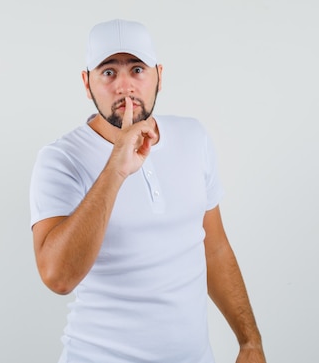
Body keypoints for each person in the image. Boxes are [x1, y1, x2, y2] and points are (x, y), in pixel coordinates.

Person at [29, 19, 266, 363]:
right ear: (87, 83)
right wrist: (117, 167)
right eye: (108, 72)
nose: (125, 86)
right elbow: (58, 277)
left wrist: (249, 341)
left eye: (137, 69)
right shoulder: (61, 159)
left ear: (159, 76)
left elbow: (213, 248)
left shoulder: (193, 137)